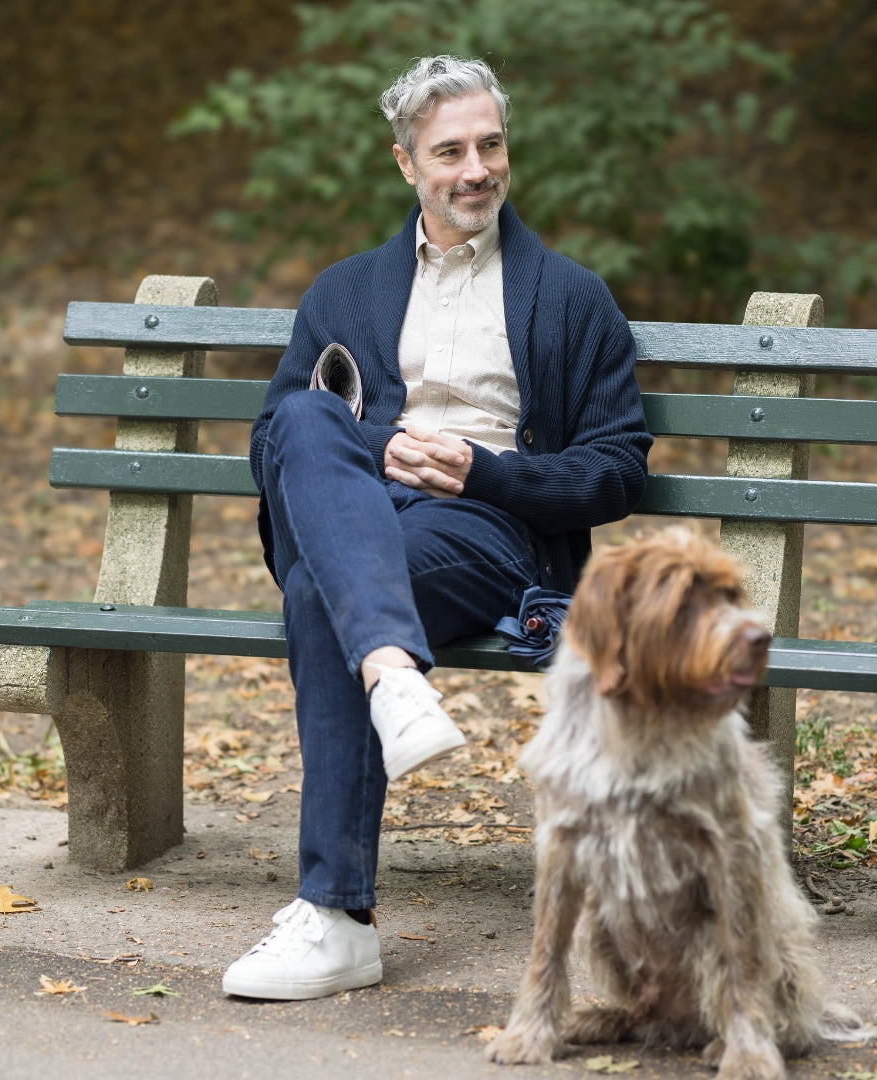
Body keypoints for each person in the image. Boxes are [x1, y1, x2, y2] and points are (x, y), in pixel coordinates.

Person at [222, 55, 652, 1001]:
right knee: (300, 416)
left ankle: (335, 918)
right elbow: (272, 449)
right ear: (405, 164)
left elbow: (619, 467)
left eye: (490, 145)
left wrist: (483, 467)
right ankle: (391, 674)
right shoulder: (341, 293)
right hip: (362, 511)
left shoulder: (570, 297)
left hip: (480, 532)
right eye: (449, 150)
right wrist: (377, 448)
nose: (475, 169)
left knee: (314, 592)